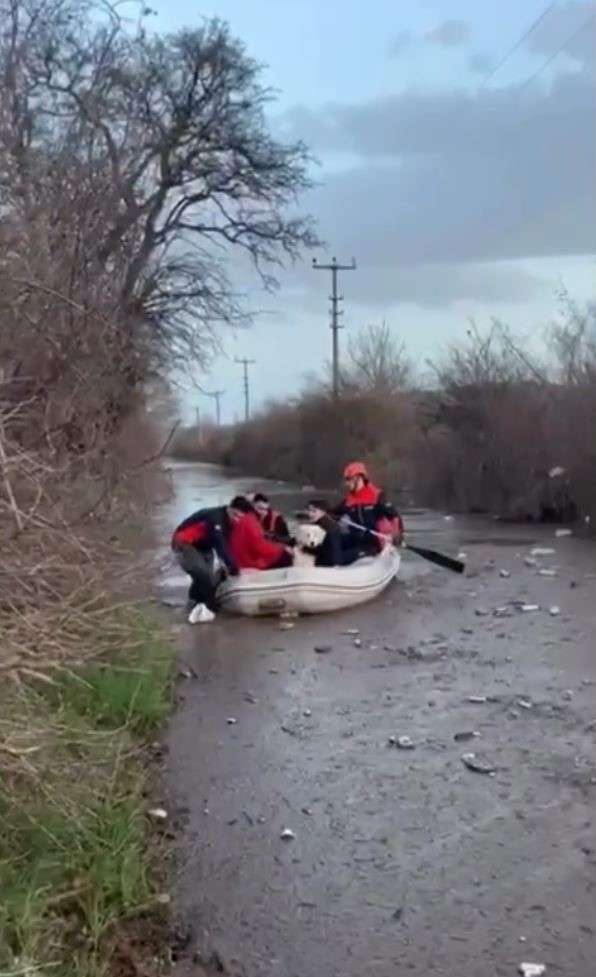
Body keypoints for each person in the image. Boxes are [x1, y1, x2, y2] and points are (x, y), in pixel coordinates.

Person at [171, 497, 247, 624]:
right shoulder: (215, 518)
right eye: (235, 515)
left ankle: (194, 602)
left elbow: (229, 545)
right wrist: (233, 567)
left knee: (208, 578)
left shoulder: (231, 523)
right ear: (229, 508)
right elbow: (220, 545)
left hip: (204, 546)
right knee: (203, 574)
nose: (237, 519)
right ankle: (208, 607)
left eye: (240, 517)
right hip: (184, 542)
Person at [334, 461, 403, 553]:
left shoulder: (377, 496)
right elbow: (333, 515)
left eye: (348, 479)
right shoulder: (348, 501)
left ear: (358, 479)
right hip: (356, 541)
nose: (347, 483)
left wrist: (397, 535)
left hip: (373, 543)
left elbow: (395, 517)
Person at [228, 500, 294, 571]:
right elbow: (259, 546)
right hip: (249, 562)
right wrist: (281, 548)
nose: (263, 513)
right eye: (260, 509)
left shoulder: (243, 522)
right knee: (286, 556)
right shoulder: (249, 521)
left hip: (241, 559)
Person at [303, 499, 363, 567]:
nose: (310, 514)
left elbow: (334, 549)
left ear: (323, 512)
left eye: (314, 511)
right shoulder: (322, 524)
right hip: (327, 560)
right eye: (309, 511)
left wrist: (303, 548)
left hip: (328, 563)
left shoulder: (325, 526)